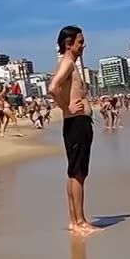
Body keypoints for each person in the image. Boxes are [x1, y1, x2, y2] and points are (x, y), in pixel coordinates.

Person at [50, 25, 97, 235]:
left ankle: (75, 220)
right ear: (68, 44)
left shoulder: (68, 63)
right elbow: (53, 88)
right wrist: (66, 107)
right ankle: (80, 221)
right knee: (78, 174)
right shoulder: (68, 63)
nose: (83, 45)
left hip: (76, 124)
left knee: (74, 174)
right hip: (76, 123)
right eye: (80, 42)